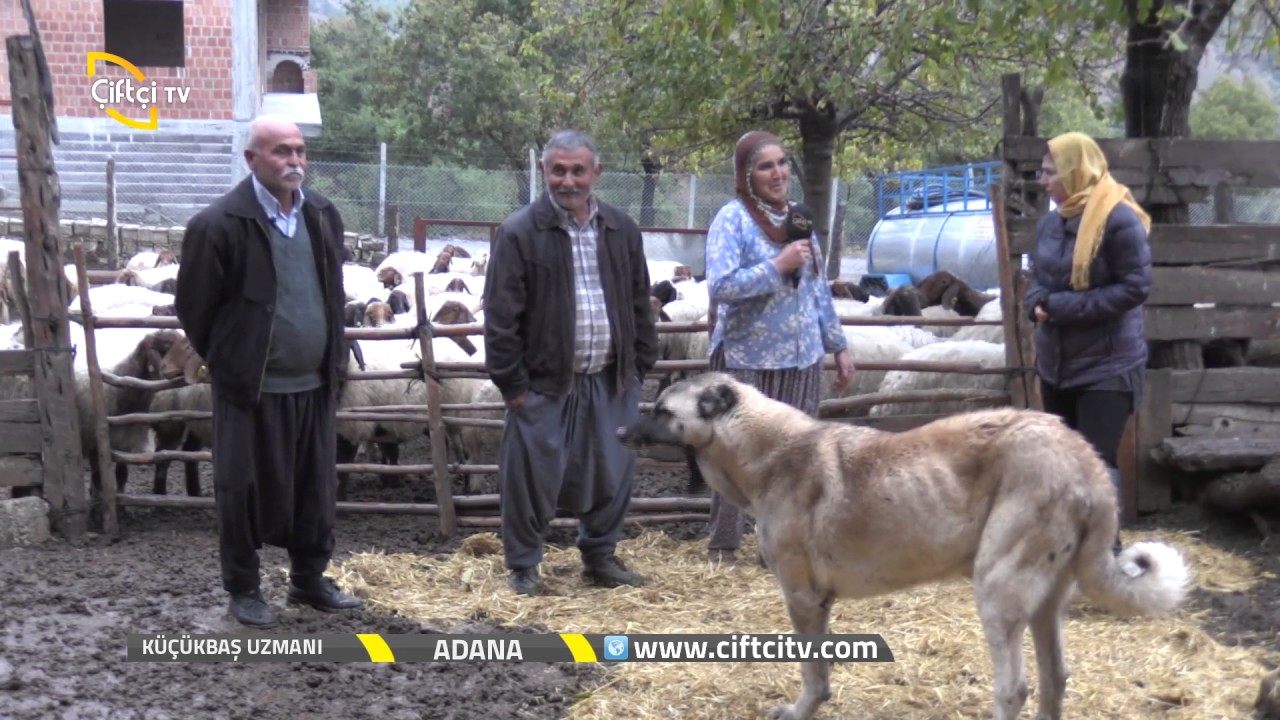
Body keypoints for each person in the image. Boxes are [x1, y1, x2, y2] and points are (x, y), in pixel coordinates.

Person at [175, 115, 363, 627]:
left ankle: (308, 580)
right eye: (281, 152)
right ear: (252, 159)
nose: (295, 161)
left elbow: (332, 292)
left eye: (300, 151)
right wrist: (232, 357)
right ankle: (245, 588)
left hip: (314, 382)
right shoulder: (218, 226)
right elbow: (194, 308)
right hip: (251, 387)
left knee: (314, 487)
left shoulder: (322, 215)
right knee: (243, 488)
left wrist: (333, 358)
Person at [483, 129, 659, 597]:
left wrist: (640, 366)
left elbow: (640, 302)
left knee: (612, 470)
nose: (568, 180)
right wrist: (513, 386)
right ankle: (523, 565)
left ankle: (600, 556)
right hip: (544, 383)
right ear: (544, 171)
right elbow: (501, 317)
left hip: (611, 377)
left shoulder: (621, 229)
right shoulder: (520, 232)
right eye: (558, 170)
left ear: (596, 173)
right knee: (531, 475)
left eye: (578, 170)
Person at [702, 130, 854, 563]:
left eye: (783, 163)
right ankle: (724, 547)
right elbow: (722, 286)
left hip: (801, 356)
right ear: (747, 176)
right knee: (735, 455)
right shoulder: (732, 220)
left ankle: (783, 546)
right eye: (765, 166)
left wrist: (837, 345)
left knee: (797, 455)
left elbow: (817, 289)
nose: (778, 173)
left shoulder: (800, 219)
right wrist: (776, 265)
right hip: (748, 357)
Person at [1026, 131, 1153, 538]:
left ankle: (1106, 557)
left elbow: (1135, 287)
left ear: (1075, 171)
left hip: (1107, 364)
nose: (1043, 180)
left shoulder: (1119, 219)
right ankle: (1070, 552)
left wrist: (1059, 308)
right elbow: (1036, 278)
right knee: (1064, 463)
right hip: (1057, 363)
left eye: (1050, 172)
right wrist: (1034, 303)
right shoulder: (1051, 222)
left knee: (1097, 464)